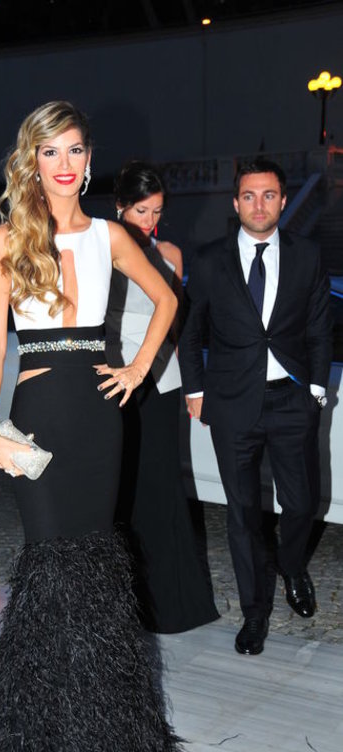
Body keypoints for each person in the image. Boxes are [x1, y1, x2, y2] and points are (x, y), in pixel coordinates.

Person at [0, 101, 193, 752]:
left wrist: (138, 370)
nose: (64, 164)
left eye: (75, 150)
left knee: (93, 567)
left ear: (89, 160)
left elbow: (167, 300)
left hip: (98, 416)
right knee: (49, 565)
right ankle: (33, 736)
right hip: (36, 412)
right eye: (50, 151)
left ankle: (104, 738)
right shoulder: (5, 238)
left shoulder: (111, 235)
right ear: (32, 161)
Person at [179, 158, 332, 656]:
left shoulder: (308, 255)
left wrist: (314, 390)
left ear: (283, 201)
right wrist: (195, 391)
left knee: (302, 504)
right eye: (249, 196)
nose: (258, 205)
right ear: (236, 202)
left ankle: (292, 566)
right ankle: (254, 612)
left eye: (268, 195)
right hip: (231, 404)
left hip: (292, 399)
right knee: (242, 514)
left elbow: (319, 328)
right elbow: (191, 332)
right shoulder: (210, 260)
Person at [105, 160, 219, 633]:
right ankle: (120, 605)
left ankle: (169, 606)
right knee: (119, 491)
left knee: (163, 490)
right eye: (141, 211)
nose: (150, 221)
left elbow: (181, 329)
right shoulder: (100, 249)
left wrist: (194, 385)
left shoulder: (171, 253)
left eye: (156, 212)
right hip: (115, 381)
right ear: (120, 207)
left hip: (163, 384)